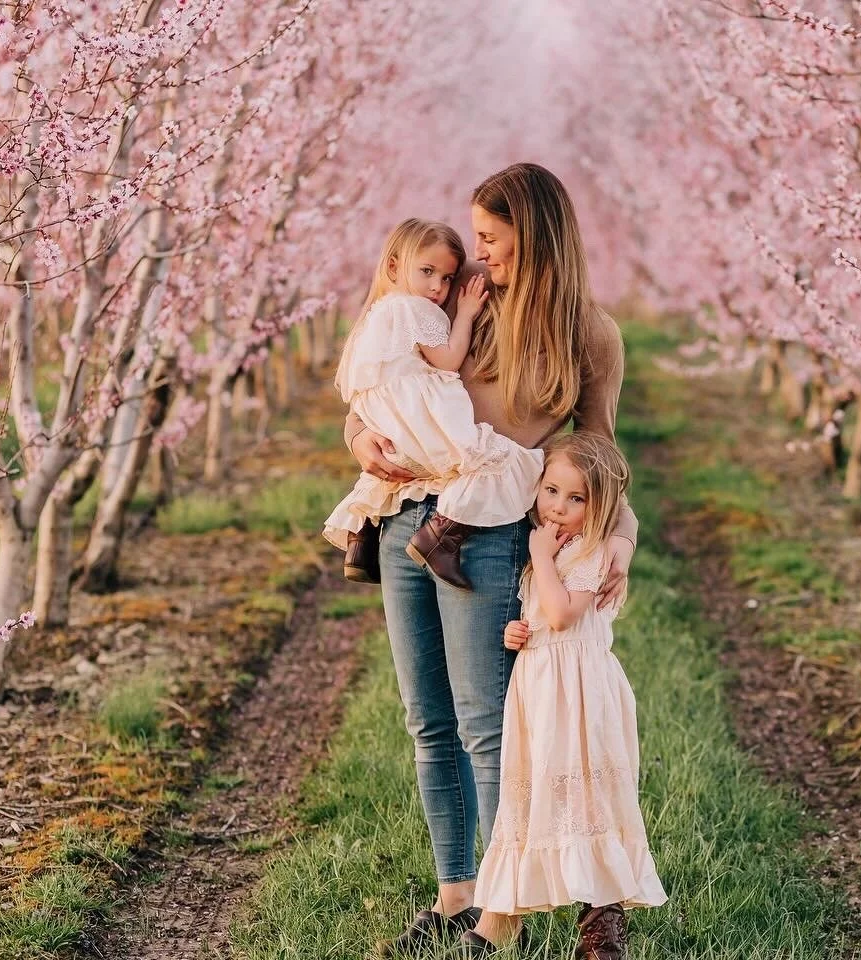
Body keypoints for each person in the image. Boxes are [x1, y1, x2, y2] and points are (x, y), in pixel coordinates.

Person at [344, 164, 637, 959]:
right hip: (409, 512)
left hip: (496, 527)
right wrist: (358, 440)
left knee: (489, 724)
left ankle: (515, 903)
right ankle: (455, 895)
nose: (477, 255)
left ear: (536, 239)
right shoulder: (458, 301)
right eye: (475, 239)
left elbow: (601, 450)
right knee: (426, 720)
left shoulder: (587, 333)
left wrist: (620, 534)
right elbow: (382, 385)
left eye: (492, 241)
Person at [456, 433, 665, 959]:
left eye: (577, 500)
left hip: (580, 692)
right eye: (551, 491)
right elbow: (541, 619)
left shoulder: (594, 553)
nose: (558, 507)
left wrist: (541, 558)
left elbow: (563, 613)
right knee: (542, 788)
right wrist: (518, 633)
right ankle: (512, 912)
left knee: (586, 793)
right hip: (541, 689)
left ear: (601, 508)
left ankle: (600, 921)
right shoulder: (555, 551)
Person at [322, 217, 542, 589]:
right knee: (498, 460)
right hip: (417, 414)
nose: (437, 288)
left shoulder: (377, 310)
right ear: (394, 266)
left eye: (445, 279)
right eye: (427, 272)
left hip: (387, 417)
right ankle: (441, 537)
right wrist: (468, 313)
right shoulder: (417, 309)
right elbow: (449, 359)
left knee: (393, 466)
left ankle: (361, 535)